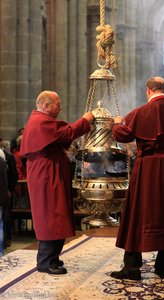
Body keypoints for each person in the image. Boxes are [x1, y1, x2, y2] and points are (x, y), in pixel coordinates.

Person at [110, 76, 164, 280]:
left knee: (137, 212)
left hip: (148, 166)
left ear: (148, 90)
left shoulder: (140, 113)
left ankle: (132, 269)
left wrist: (115, 123)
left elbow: (122, 135)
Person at [20, 90, 94, 275]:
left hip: (49, 173)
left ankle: (52, 257)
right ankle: (46, 262)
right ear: (45, 105)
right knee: (51, 216)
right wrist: (85, 120)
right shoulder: (41, 121)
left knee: (55, 215)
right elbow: (68, 132)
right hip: (47, 176)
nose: (60, 106)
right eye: (57, 103)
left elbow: (61, 138)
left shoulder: (40, 120)